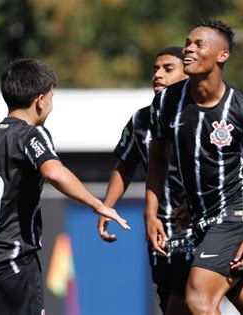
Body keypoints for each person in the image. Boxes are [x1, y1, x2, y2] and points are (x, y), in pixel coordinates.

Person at [0, 58, 130, 315]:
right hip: (11, 263)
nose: (52, 104)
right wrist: (98, 204)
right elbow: (54, 172)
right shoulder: (31, 135)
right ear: (40, 100)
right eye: (52, 96)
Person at [145, 19, 243, 314]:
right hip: (199, 223)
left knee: (198, 299)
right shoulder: (166, 103)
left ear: (222, 55)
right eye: (187, 43)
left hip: (236, 216)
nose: (188, 50)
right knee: (180, 309)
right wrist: (150, 212)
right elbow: (156, 157)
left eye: (198, 44)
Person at [97, 47, 192, 315]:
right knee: (171, 303)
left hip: (200, 227)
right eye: (155, 69)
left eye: (167, 69)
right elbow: (125, 166)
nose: (158, 75)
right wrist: (107, 206)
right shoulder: (141, 119)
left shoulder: (199, 114)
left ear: (188, 73)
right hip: (160, 230)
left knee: (191, 301)